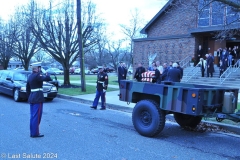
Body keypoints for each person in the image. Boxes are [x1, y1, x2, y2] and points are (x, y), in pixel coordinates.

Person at [26, 62, 52, 138]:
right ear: (37, 68)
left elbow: (27, 88)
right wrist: (47, 74)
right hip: (38, 97)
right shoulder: (37, 75)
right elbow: (47, 78)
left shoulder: (30, 76)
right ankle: (35, 133)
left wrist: (29, 97)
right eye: (39, 68)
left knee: (32, 116)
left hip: (32, 97)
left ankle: (32, 132)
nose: (40, 69)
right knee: (37, 117)